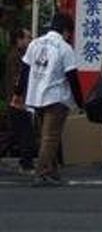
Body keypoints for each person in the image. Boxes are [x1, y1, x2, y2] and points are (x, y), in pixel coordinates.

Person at [12, 12, 83, 186]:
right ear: (66, 30)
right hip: (56, 97)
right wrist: (80, 102)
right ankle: (42, 172)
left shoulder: (35, 43)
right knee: (50, 137)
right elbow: (72, 77)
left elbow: (25, 70)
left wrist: (18, 92)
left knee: (46, 135)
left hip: (36, 96)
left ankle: (53, 172)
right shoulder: (64, 48)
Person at [0, 28, 36, 172]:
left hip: (16, 100)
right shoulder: (16, 57)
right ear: (19, 40)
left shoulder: (18, 55)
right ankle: (26, 164)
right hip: (17, 101)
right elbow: (17, 80)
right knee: (25, 133)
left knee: (15, 133)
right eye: (28, 38)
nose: (30, 40)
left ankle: (26, 163)